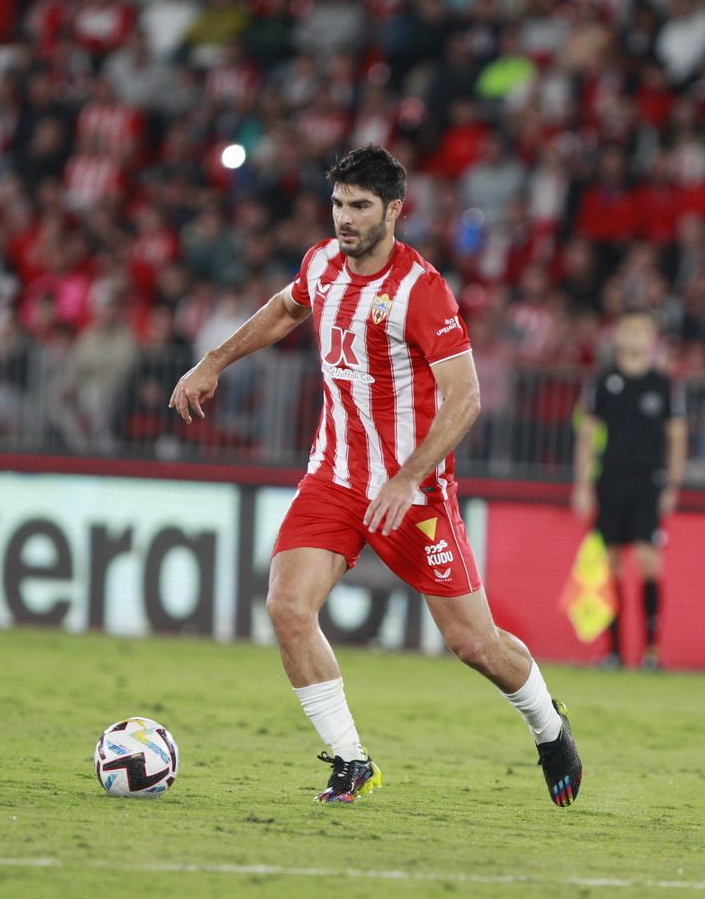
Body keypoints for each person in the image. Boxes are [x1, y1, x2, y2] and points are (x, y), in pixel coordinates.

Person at [169, 144, 582, 807]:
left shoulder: (421, 290)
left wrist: (408, 475)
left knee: (474, 645)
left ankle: (548, 725)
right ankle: (350, 760)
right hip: (334, 475)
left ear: (394, 209)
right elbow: (284, 308)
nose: (345, 218)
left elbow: (466, 396)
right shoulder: (322, 263)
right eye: (338, 204)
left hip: (411, 492)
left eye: (360, 206)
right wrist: (213, 361)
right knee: (287, 606)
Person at [571, 312, 685, 669]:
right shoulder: (603, 383)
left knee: (650, 562)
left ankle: (652, 651)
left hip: (649, 481)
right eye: (629, 329)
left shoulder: (663, 385)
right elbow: (588, 436)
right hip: (611, 481)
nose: (635, 336)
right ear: (618, 336)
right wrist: (582, 485)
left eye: (642, 330)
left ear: (652, 338)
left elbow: (677, 437)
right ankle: (615, 651)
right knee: (613, 564)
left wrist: (672, 484)